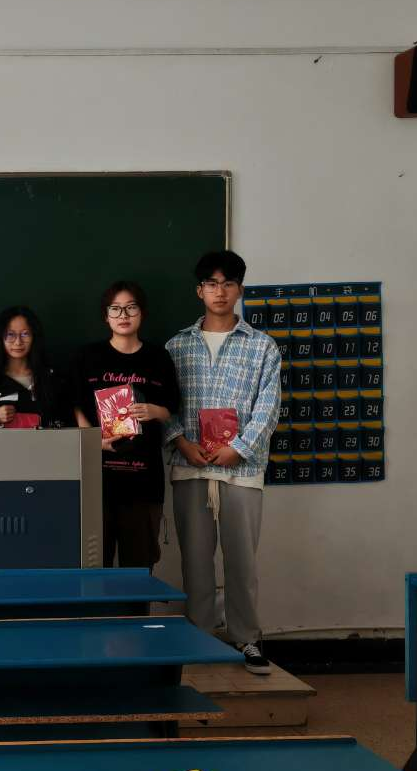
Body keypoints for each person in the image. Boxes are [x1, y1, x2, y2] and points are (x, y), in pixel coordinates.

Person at [164, 250, 282, 675]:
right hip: (191, 466)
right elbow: (165, 404)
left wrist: (239, 448)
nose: (220, 291)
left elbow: (268, 407)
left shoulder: (262, 346)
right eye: (211, 284)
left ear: (239, 290)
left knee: (242, 561)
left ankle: (247, 637)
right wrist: (180, 441)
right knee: (195, 560)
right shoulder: (176, 346)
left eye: (228, 283)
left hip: (241, 470)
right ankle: (199, 636)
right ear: (199, 290)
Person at [72, 281, 180, 572]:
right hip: (97, 480)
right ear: (105, 316)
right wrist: (91, 438)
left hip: (143, 482)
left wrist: (154, 410)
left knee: (139, 568)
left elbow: (171, 407)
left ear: (142, 313)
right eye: (116, 309)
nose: (123, 315)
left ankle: (138, 606)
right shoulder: (88, 357)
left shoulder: (158, 358)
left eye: (131, 308)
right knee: (95, 567)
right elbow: (74, 404)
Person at [0, 306, 67, 429]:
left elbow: (65, 420)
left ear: (34, 336)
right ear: (1, 337)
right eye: (10, 334)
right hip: (2, 442)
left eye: (25, 334)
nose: (18, 342)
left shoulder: (50, 377)